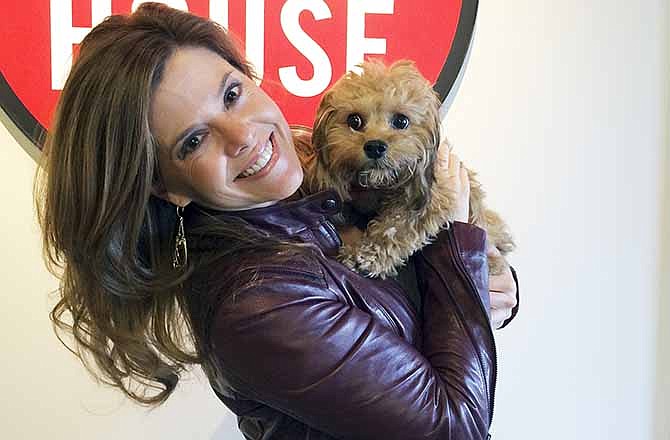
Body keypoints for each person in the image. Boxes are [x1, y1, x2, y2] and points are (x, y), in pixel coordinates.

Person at [34, 3, 519, 439]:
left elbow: (413, 293)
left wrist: (488, 281)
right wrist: (454, 252)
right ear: (167, 188)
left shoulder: (306, 170)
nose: (242, 134)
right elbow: (455, 428)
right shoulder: (255, 305)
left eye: (231, 94)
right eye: (193, 141)